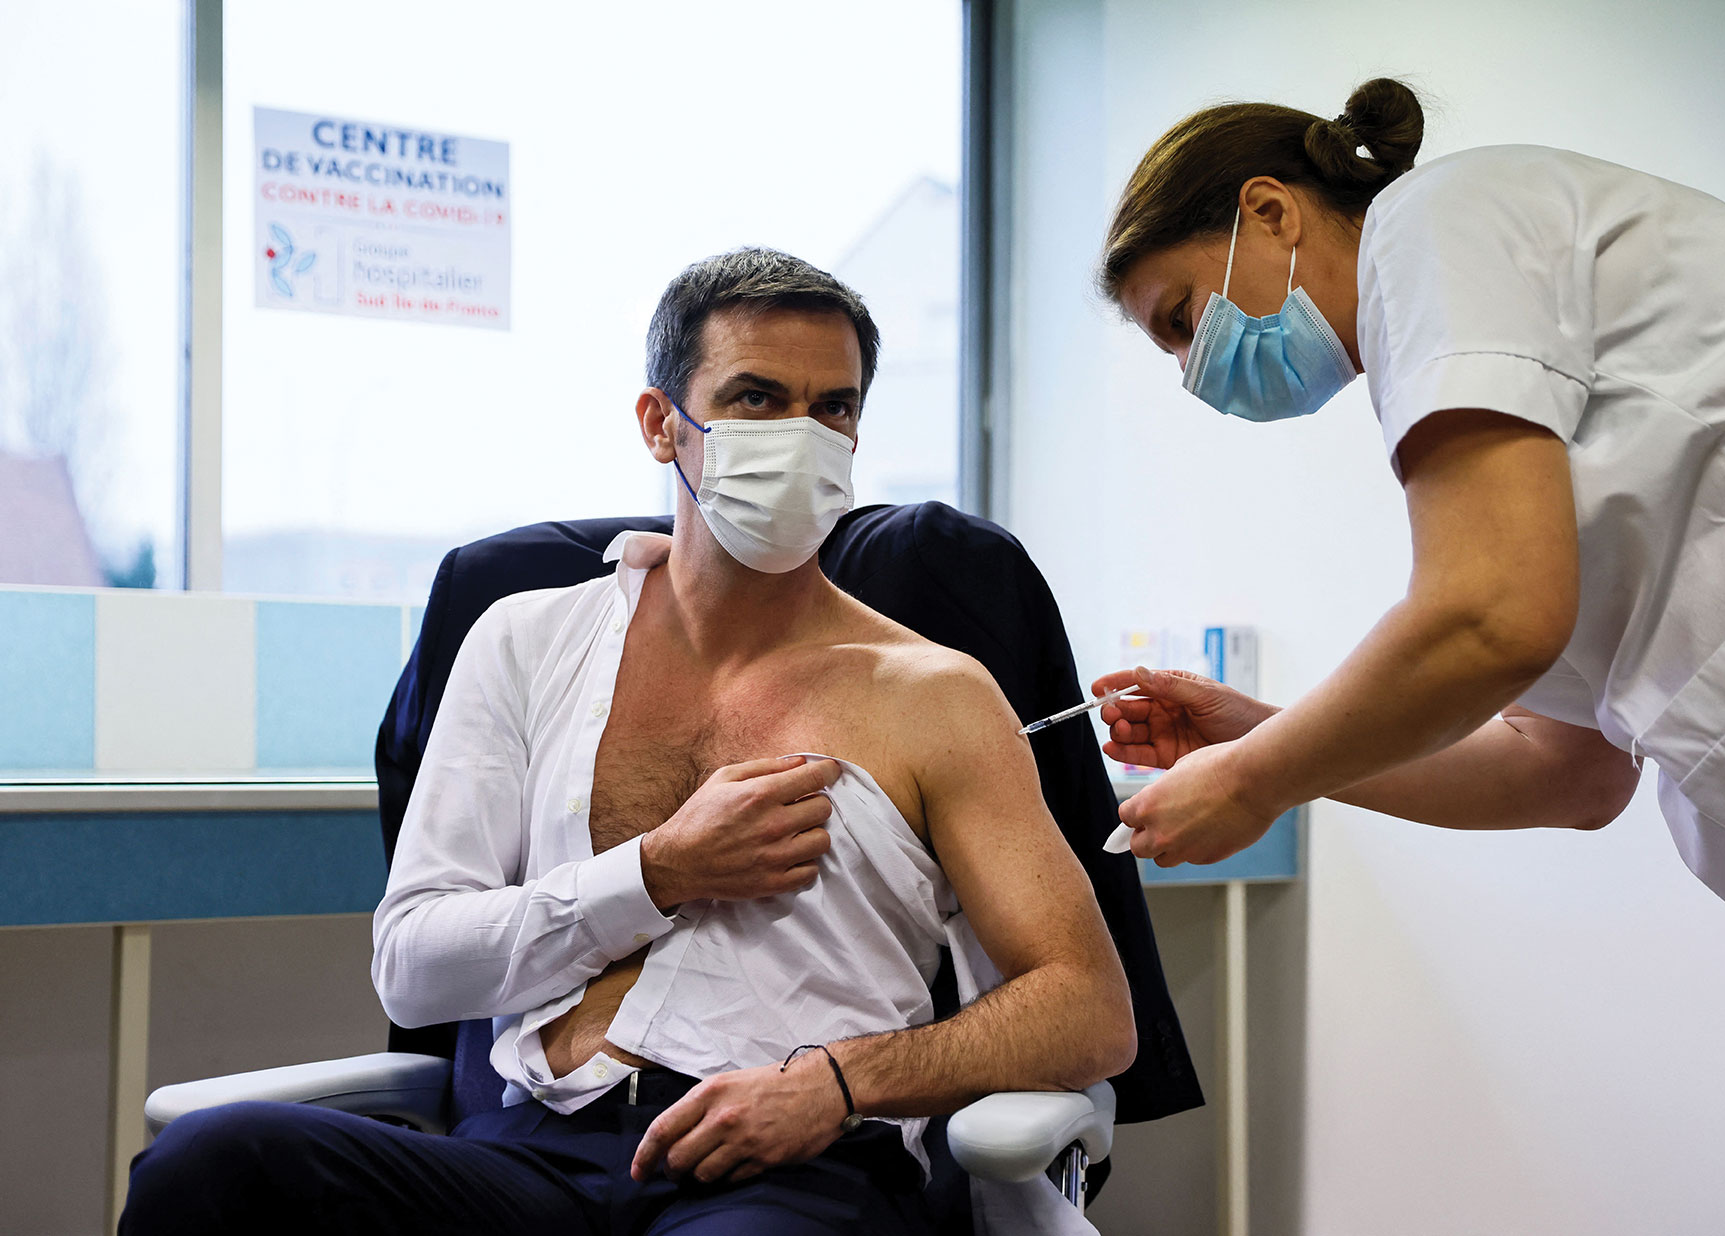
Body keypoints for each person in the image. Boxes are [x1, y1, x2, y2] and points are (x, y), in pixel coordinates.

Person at [121, 248, 1134, 1236]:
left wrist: (835, 1082)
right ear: (662, 425)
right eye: (755, 397)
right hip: (522, 1156)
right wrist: (656, 871)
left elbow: (1087, 1010)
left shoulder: (933, 694)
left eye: (834, 407)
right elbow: (415, 970)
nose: (804, 435)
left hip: (791, 1169)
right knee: (210, 1166)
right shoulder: (522, 643)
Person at [1091, 78, 1725, 1232]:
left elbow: (1490, 614)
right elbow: (1560, 771)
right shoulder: (1474, 381)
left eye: (1181, 320)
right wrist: (1261, 736)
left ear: (1269, 212)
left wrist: (1255, 779)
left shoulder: (1439, 221)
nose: (1194, 373)